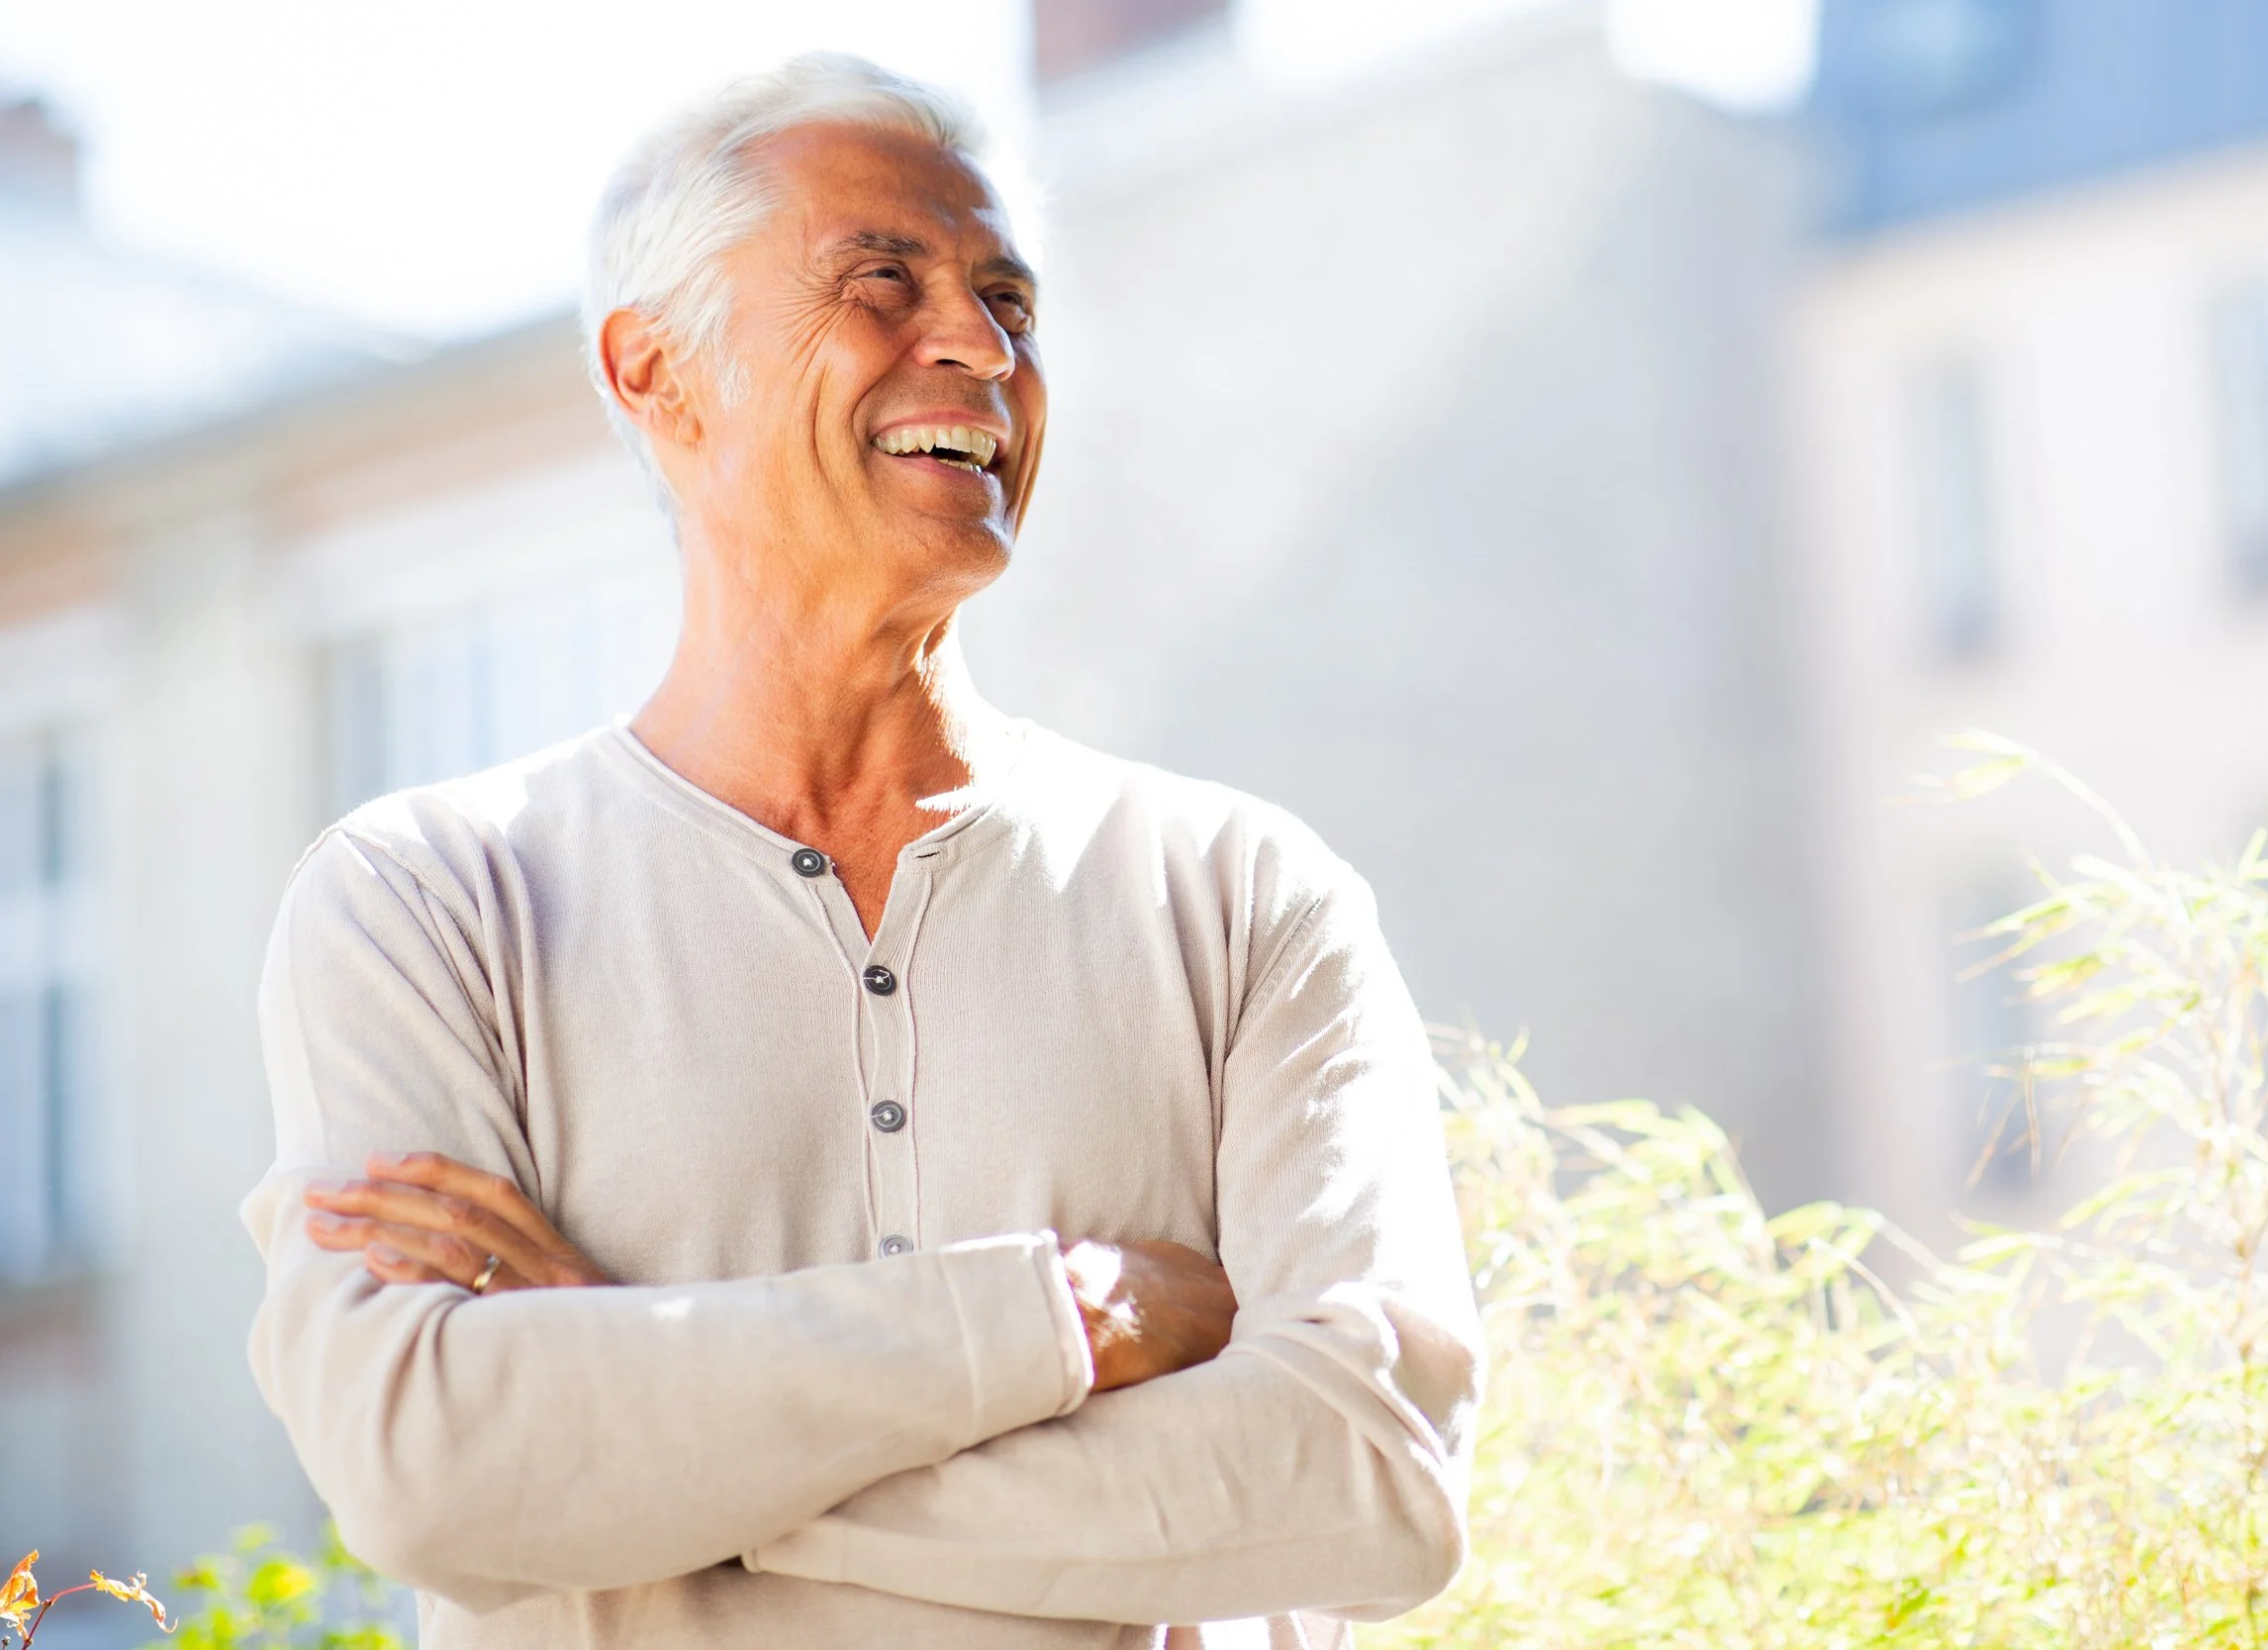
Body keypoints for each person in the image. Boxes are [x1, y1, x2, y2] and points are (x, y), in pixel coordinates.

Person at [241, 50, 1480, 1650]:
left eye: (1008, 299)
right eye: (882, 281)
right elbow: (426, 1471)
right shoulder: (425, 903)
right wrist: (1058, 1317)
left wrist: (656, 1430)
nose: (979, 344)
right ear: (660, 376)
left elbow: (1377, 1476)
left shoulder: (1245, 898)